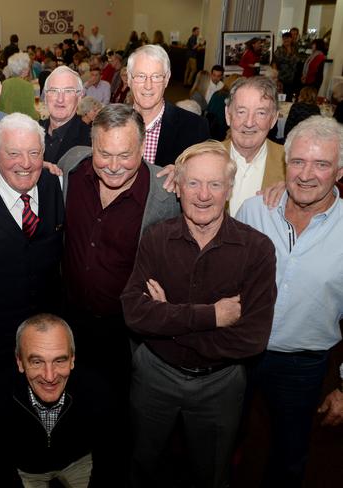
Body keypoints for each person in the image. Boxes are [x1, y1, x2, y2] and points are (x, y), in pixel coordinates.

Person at [122, 140, 277, 488]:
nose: (203, 194)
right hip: (154, 376)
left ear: (229, 189)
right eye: (193, 183)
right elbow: (134, 314)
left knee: (211, 473)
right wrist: (210, 317)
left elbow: (251, 338)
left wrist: (166, 317)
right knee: (142, 464)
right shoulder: (155, 239)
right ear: (177, 187)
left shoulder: (257, 250)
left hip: (220, 384)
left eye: (214, 184)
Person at [58, 103, 180, 437]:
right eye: (104, 153)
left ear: (143, 148)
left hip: (124, 333)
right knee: (72, 406)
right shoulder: (72, 166)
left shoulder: (167, 193)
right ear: (92, 145)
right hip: (70, 320)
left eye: (125, 155)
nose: (113, 166)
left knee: (120, 418)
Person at [236, 116, 343, 488]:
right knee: (228, 443)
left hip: (304, 367)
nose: (306, 174)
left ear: (340, 170)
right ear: (285, 164)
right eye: (298, 161)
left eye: (321, 164)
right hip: (240, 356)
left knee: (290, 454)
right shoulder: (254, 211)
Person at [0, 113, 64, 376]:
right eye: (14, 154)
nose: (26, 163)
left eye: (34, 152)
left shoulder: (56, 185)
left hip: (47, 338)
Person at [0, 314, 116, 487]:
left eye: (59, 360)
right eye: (37, 362)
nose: (49, 376)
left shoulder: (96, 390)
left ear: (72, 360)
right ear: (20, 362)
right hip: (27, 470)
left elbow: (111, 453)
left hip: (77, 462)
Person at [127, 44, 209, 166]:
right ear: (129, 79)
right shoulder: (109, 125)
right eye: (140, 76)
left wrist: (181, 175)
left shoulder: (195, 128)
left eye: (156, 77)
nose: (148, 85)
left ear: (167, 79)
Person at [223, 76, 285, 215]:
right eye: (241, 112)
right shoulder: (202, 158)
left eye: (261, 113)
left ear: (273, 119)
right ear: (228, 115)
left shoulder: (292, 165)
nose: (249, 123)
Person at [40, 66, 91, 165]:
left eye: (68, 91)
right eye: (54, 90)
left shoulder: (89, 140)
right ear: (45, 97)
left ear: (79, 97)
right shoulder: (33, 131)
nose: (60, 99)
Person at [0, 52, 39, 121]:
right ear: (24, 68)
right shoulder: (28, 86)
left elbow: (0, 107)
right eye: (28, 66)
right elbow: (30, 114)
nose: (29, 68)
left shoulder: (5, 83)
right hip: (21, 125)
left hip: (5, 122)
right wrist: (38, 115)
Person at [273, 32, 299, 100]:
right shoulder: (279, 50)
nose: (286, 40)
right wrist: (276, 78)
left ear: (291, 39)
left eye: (287, 38)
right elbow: (274, 63)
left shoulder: (295, 49)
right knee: (281, 98)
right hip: (281, 78)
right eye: (284, 38)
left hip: (292, 78)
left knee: (290, 97)